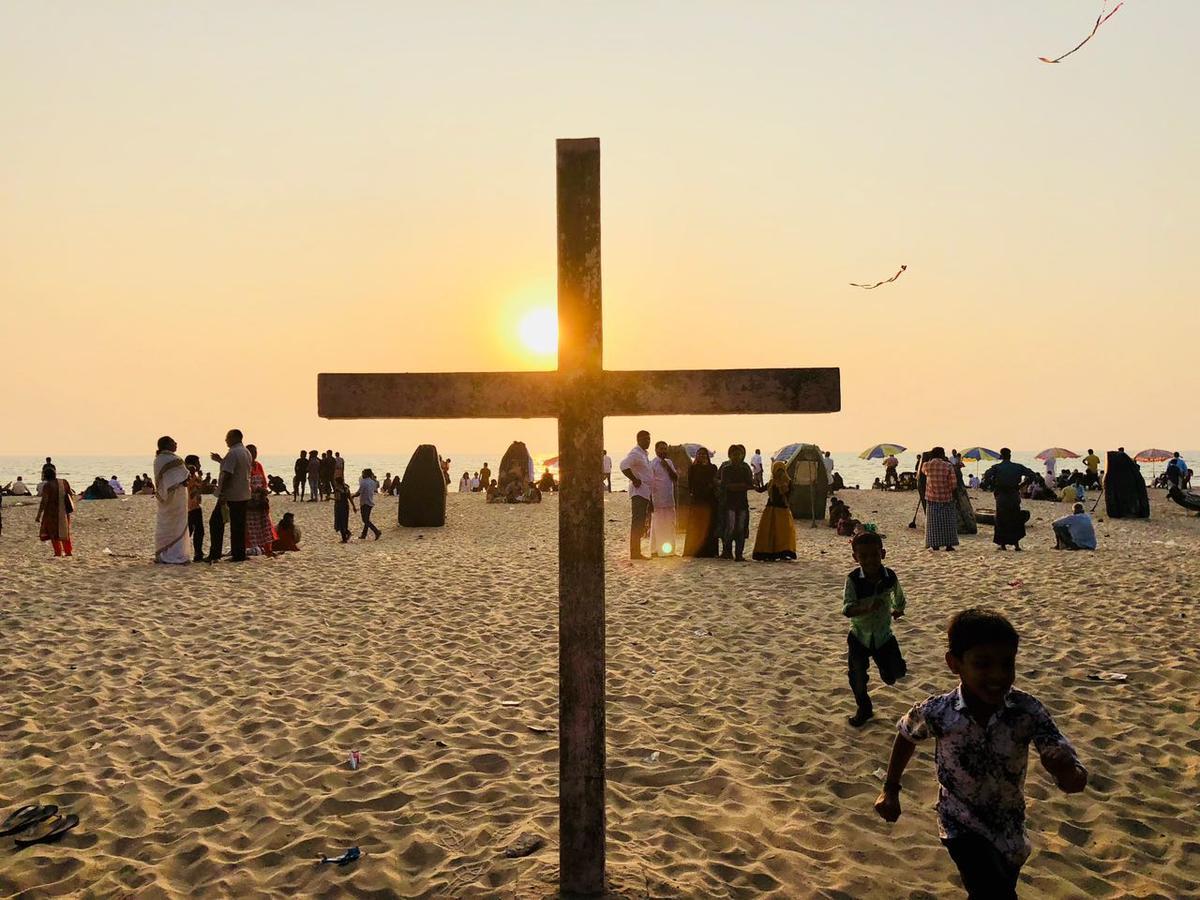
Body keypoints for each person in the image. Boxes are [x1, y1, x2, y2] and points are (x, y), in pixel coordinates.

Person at [874, 609, 1087, 899]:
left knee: (993, 889)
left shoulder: (1026, 711)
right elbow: (907, 734)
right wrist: (891, 789)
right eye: (983, 664)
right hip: (959, 824)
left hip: (1009, 827)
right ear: (954, 664)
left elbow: (1075, 781)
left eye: (1006, 664)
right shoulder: (939, 711)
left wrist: (1065, 772)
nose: (998, 675)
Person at [842, 531, 907, 727]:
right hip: (859, 636)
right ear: (856, 558)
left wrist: (898, 609)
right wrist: (865, 608)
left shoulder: (889, 577)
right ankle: (864, 709)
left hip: (883, 636)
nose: (870, 560)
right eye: (864, 556)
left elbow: (899, 595)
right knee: (857, 677)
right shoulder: (853, 580)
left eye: (875, 555)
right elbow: (847, 609)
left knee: (896, 672)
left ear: (883, 554)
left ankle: (889, 672)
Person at [981, 449, 1038, 551]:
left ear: (1001, 456)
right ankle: (1016, 545)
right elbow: (1033, 475)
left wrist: (992, 485)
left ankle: (1003, 544)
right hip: (1013, 495)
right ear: (1010, 456)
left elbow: (986, 476)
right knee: (1015, 519)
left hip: (1002, 496)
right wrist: (1021, 485)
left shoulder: (997, 468)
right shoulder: (1017, 467)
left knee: (1001, 519)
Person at [210, 429, 252, 562]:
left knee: (216, 522)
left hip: (231, 495)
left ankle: (215, 553)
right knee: (238, 525)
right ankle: (239, 553)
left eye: (228, 437)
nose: (226, 440)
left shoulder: (233, 453)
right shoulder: (246, 452)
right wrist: (220, 460)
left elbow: (228, 473)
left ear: (234, 438)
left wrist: (222, 493)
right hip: (243, 493)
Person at [153, 436, 191, 564]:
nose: (176, 443)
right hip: (177, 497)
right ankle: (177, 554)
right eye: (173, 442)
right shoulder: (175, 459)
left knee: (165, 523)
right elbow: (185, 477)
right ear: (167, 445)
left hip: (165, 498)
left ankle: (163, 553)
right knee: (177, 523)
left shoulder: (158, 460)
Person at [751, 460, 797, 561]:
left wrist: (783, 487)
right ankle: (769, 552)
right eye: (778, 470)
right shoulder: (771, 482)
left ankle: (784, 552)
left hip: (782, 510)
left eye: (781, 470)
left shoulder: (788, 482)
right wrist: (753, 484)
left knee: (783, 532)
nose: (780, 472)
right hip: (771, 510)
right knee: (769, 532)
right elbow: (761, 489)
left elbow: (790, 495)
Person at [717, 444, 754, 561]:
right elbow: (724, 486)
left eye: (739, 454)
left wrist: (736, 486)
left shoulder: (745, 468)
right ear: (730, 455)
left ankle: (739, 554)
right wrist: (740, 486)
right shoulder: (726, 468)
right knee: (729, 528)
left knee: (741, 529)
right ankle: (727, 552)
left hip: (742, 503)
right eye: (734, 454)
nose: (737, 456)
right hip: (729, 504)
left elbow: (750, 484)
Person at [620, 431, 653, 560]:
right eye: (645, 439)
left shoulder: (644, 454)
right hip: (638, 492)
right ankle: (635, 553)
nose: (648, 442)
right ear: (638, 439)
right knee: (637, 522)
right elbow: (623, 466)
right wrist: (634, 479)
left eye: (649, 439)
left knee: (641, 522)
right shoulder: (635, 453)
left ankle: (637, 551)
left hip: (645, 492)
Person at [682, 447, 719, 557]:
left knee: (709, 526)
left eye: (704, 454)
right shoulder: (692, 468)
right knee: (696, 526)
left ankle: (710, 552)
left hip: (710, 500)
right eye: (700, 454)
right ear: (696, 456)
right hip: (697, 500)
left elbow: (714, 481)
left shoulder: (713, 467)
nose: (702, 456)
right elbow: (690, 484)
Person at [921, 447, 959, 552]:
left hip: (932, 498)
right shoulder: (948, 466)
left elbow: (922, 472)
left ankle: (935, 545)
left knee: (933, 524)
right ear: (942, 454)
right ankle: (948, 545)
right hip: (946, 498)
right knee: (948, 523)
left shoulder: (926, 465)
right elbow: (953, 484)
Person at [245, 444, 277, 556]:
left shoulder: (258, 465)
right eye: (251, 452)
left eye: (255, 452)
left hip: (261, 499)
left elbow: (264, 481)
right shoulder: (245, 466)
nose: (254, 454)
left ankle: (268, 550)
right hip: (250, 500)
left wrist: (263, 490)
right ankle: (252, 549)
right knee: (251, 527)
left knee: (265, 525)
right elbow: (245, 483)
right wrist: (256, 489)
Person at [648, 441, 679, 557]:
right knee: (658, 525)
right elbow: (650, 483)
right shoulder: (652, 464)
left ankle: (669, 550)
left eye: (665, 449)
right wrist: (650, 500)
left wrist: (667, 467)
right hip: (657, 500)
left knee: (670, 525)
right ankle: (657, 550)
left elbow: (675, 478)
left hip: (669, 499)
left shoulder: (669, 462)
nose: (663, 451)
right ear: (656, 450)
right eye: (661, 449)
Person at [35, 472, 74, 556]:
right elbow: (70, 494)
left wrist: (39, 515)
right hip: (64, 511)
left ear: (45, 477)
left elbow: (44, 501)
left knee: (53, 532)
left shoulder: (48, 485)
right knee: (65, 531)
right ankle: (68, 551)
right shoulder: (64, 482)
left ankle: (58, 552)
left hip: (51, 512)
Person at [184, 454, 206, 562]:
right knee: (193, 530)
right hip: (190, 507)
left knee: (197, 530)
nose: (200, 465)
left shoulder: (195, 476)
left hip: (195, 506)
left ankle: (198, 552)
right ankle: (194, 552)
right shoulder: (188, 473)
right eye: (198, 463)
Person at [353, 468, 382, 540]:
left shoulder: (364, 482)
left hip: (364, 502)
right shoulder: (373, 482)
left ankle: (376, 531)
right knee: (367, 519)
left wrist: (352, 496)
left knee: (365, 520)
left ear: (366, 474)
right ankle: (364, 534)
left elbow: (359, 493)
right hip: (370, 501)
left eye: (363, 473)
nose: (362, 474)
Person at [333, 474, 355, 542]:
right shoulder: (346, 488)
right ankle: (346, 533)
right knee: (345, 521)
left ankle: (345, 537)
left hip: (339, 506)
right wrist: (353, 506)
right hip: (346, 505)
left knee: (340, 521)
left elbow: (338, 499)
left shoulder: (337, 489)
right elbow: (350, 498)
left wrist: (330, 498)